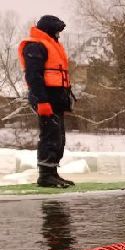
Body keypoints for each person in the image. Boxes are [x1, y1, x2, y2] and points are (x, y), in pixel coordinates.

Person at [19, 15, 74, 189]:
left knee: (58, 136)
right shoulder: (35, 45)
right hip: (45, 97)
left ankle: (53, 173)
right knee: (50, 135)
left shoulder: (50, 44)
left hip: (56, 98)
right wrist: (42, 101)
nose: (59, 35)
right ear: (49, 30)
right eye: (57, 31)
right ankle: (45, 176)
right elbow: (33, 76)